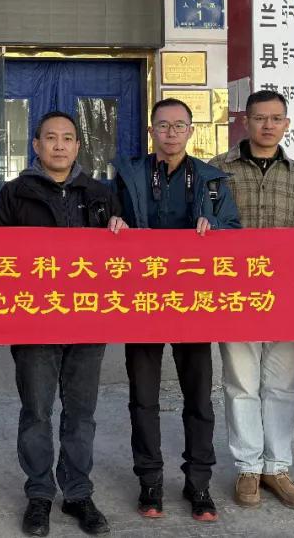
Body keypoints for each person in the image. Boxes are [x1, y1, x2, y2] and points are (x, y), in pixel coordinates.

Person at [0, 111, 127, 537]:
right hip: (34, 322)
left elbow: (124, 260)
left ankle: (78, 493)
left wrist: (122, 230)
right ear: (36, 145)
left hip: (88, 320)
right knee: (36, 412)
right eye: (51, 138)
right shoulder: (15, 194)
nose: (59, 145)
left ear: (78, 146)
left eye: (68, 138)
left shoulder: (100, 194)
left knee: (81, 414)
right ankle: (40, 494)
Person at [113, 98, 241, 523]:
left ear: (191, 131)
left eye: (179, 125)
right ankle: (149, 480)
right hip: (142, 300)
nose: (171, 132)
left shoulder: (210, 179)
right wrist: (114, 223)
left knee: (199, 396)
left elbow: (234, 230)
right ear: (151, 131)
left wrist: (215, 227)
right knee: (143, 397)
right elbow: (106, 219)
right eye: (163, 125)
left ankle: (199, 482)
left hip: (193, 301)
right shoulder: (128, 174)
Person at [208, 90, 294, 510]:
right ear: (246, 120)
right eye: (260, 118)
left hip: (285, 298)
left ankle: (277, 466)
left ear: (286, 124)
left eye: (276, 119)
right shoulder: (217, 170)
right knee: (240, 384)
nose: (268, 125)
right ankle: (248, 466)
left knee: (282, 384)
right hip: (234, 294)